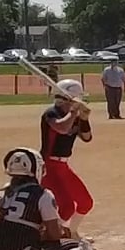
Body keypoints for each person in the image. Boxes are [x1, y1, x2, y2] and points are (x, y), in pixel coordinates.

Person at [39, 78, 95, 237]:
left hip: (63, 166)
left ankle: (71, 232)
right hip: (48, 166)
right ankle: (48, 237)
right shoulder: (51, 113)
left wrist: (84, 118)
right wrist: (74, 111)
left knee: (85, 202)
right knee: (66, 207)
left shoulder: (73, 116)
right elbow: (62, 128)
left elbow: (87, 137)